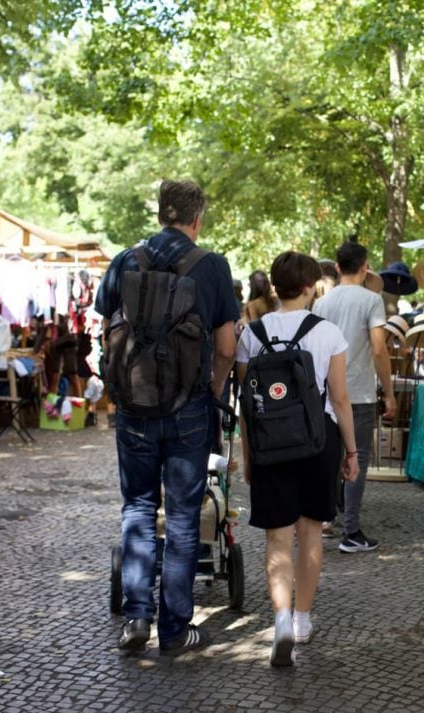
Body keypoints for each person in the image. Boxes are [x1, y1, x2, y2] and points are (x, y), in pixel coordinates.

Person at [95, 179, 238, 655]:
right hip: (189, 409)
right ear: (198, 219)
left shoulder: (123, 261)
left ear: (161, 214)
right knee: (181, 518)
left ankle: (136, 619)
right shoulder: (212, 267)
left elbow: (104, 334)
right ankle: (175, 629)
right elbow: (225, 347)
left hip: (133, 408)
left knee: (137, 507)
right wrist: (212, 390)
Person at [235, 251, 359, 667]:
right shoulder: (328, 333)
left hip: (271, 445)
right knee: (309, 533)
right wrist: (352, 452)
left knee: (276, 537)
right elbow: (340, 400)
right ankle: (303, 619)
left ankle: (281, 619)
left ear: (274, 286)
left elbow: (248, 407)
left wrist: (248, 457)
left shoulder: (251, 333)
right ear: (310, 287)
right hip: (317, 442)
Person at [312, 240, 396, 553]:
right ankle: (351, 530)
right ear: (365, 268)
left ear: (336, 267)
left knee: (328, 457)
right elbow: (378, 348)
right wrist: (389, 393)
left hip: (325, 391)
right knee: (356, 457)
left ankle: (324, 520)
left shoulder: (322, 304)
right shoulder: (371, 301)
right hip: (358, 392)